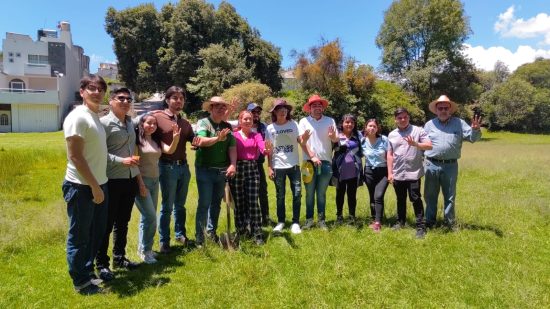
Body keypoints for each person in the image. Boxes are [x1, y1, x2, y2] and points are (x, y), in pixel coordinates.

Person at [62, 75, 108, 295]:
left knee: (94, 234)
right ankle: (81, 283)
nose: (97, 92)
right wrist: (95, 187)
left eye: (101, 88)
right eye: (92, 88)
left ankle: (88, 274)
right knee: (80, 237)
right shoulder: (78, 117)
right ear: (82, 91)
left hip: (98, 183)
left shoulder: (94, 116)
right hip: (82, 187)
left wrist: (100, 184)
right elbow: (76, 157)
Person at [96, 87, 140, 281]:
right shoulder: (103, 124)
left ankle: (119, 258)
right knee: (106, 224)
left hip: (130, 179)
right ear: (111, 101)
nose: (125, 101)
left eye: (128, 99)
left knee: (123, 222)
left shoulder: (130, 122)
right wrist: (121, 161)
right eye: (120, 98)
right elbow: (98, 153)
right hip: (112, 179)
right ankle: (102, 264)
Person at [423, 95, 482, 229]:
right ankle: (429, 221)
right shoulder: (429, 125)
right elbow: (422, 143)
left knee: (449, 196)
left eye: (446, 108)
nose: (443, 110)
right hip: (431, 164)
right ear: (436, 110)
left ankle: (449, 223)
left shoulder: (459, 123)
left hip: (450, 165)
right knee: (430, 195)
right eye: (440, 108)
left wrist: (476, 129)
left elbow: (473, 138)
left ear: (450, 109)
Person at [134, 113, 184, 263]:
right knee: (150, 217)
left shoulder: (156, 140)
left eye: (154, 124)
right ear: (141, 124)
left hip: (155, 182)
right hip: (142, 182)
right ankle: (146, 250)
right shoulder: (137, 141)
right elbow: (134, 164)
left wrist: (175, 138)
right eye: (148, 123)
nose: (152, 126)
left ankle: (143, 248)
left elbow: (169, 150)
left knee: (147, 217)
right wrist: (141, 184)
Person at [153, 86, 195, 254]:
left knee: (181, 206)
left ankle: (180, 234)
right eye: (175, 98)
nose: (178, 101)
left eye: (181, 98)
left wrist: (198, 143)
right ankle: (164, 242)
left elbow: (193, 139)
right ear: (167, 99)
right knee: (167, 207)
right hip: (167, 167)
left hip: (183, 167)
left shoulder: (184, 122)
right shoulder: (158, 117)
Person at [194, 96, 236, 246]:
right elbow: (201, 141)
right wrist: (217, 139)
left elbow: (232, 147)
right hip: (205, 170)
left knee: (216, 204)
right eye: (216, 105)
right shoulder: (203, 123)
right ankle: (200, 238)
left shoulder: (227, 126)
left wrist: (233, 164)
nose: (220, 108)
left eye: (223, 106)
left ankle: (211, 233)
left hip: (222, 171)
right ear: (210, 108)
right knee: (204, 203)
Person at [387, 107, 432, 239]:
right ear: (395, 120)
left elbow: (429, 145)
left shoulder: (418, 131)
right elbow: (390, 155)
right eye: (400, 118)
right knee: (400, 199)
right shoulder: (392, 134)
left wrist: (416, 144)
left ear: (409, 117)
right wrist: (390, 173)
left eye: (405, 117)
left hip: (414, 172)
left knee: (415, 198)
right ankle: (400, 222)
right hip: (398, 173)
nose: (403, 119)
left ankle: (420, 227)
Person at [265, 99, 308, 235]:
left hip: (294, 165)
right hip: (278, 166)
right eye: (280, 109)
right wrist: (270, 167)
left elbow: (300, 141)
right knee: (280, 196)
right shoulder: (270, 128)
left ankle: (295, 222)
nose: (283, 111)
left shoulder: (294, 124)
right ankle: (281, 221)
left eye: (285, 109)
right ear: (275, 112)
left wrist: (305, 139)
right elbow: (269, 150)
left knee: (297, 194)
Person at [230, 110, 272, 245]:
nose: (248, 121)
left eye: (250, 119)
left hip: (252, 169)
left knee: (253, 202)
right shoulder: (234, 135)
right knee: (239, 202)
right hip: (238, 169)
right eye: (245, 119)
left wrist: (266, 150)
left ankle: (257, 233)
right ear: (240, 121)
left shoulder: (257, 135)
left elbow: (262, 149)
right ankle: (242, 231)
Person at [298, 94, 339, 230]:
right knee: (309, 193)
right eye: (314, 105)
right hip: (308, 163)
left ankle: (321, 221)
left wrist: (333, 136)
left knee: (321, 194)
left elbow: (335, 140)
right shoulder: (304, 121)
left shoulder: (330, 121)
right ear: (309, 108)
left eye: (319, 105)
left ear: (323, 108)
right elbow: (302, 142)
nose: (317, 108)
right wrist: (312, 155)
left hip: (325, 163)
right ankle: (309, 220)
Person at [331, 114, 363, 225]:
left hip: (354, 171)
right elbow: (331, 149)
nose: (349, 124)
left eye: (352, 122)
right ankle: (339, 216)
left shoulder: (358, 136)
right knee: (339, 194)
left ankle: (351, 217)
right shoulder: (336, 136)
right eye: (347, 122)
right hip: (340, 171)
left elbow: (361, 151)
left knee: (352, 195)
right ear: (342, 124)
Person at [361, 118, 390, 232]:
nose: (372, 128)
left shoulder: (384, 140)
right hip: (369, 171)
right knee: (372, 197)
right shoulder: (363, 141)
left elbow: (390, 156)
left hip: (383, 172)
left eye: (374, 126)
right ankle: (374, 219)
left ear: (377, 128)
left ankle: (378, 223)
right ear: (366, 127)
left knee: (378, 196)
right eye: (370, 126)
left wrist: (391, 172)